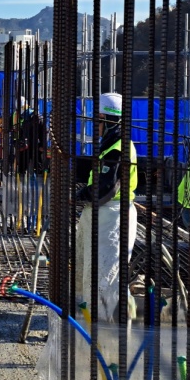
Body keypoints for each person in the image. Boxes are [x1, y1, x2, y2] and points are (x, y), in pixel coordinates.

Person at [75, 92, 138, 323]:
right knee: (94, 273)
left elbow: (106, 188)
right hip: (103, 214)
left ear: (108, 119)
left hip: (113, 216)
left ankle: (106, 329)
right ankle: (92, 319)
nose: (96, 126)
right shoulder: (111, 143)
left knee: (105, 277)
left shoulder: (118, 147)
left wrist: (81, 195)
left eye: (98, 120)